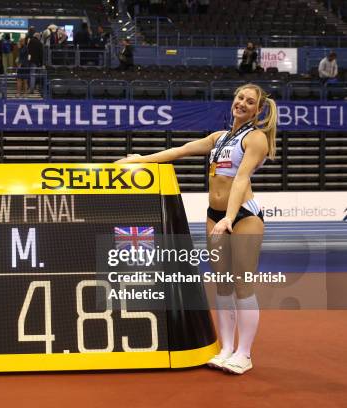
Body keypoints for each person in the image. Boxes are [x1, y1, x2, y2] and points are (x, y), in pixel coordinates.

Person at [116, 83, 278, 375]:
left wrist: (229, 218)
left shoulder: (255, 139)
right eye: (239, 97)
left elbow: (241, 180)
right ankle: (226, 348)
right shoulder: (219, 138)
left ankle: (244, 353)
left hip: (242, 216)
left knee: (242, 285)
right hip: (215, 215)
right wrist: (140, 160)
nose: (242, 103)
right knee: (223, 285)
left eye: (249, 101)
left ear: (258, 110)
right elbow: (180, 150)